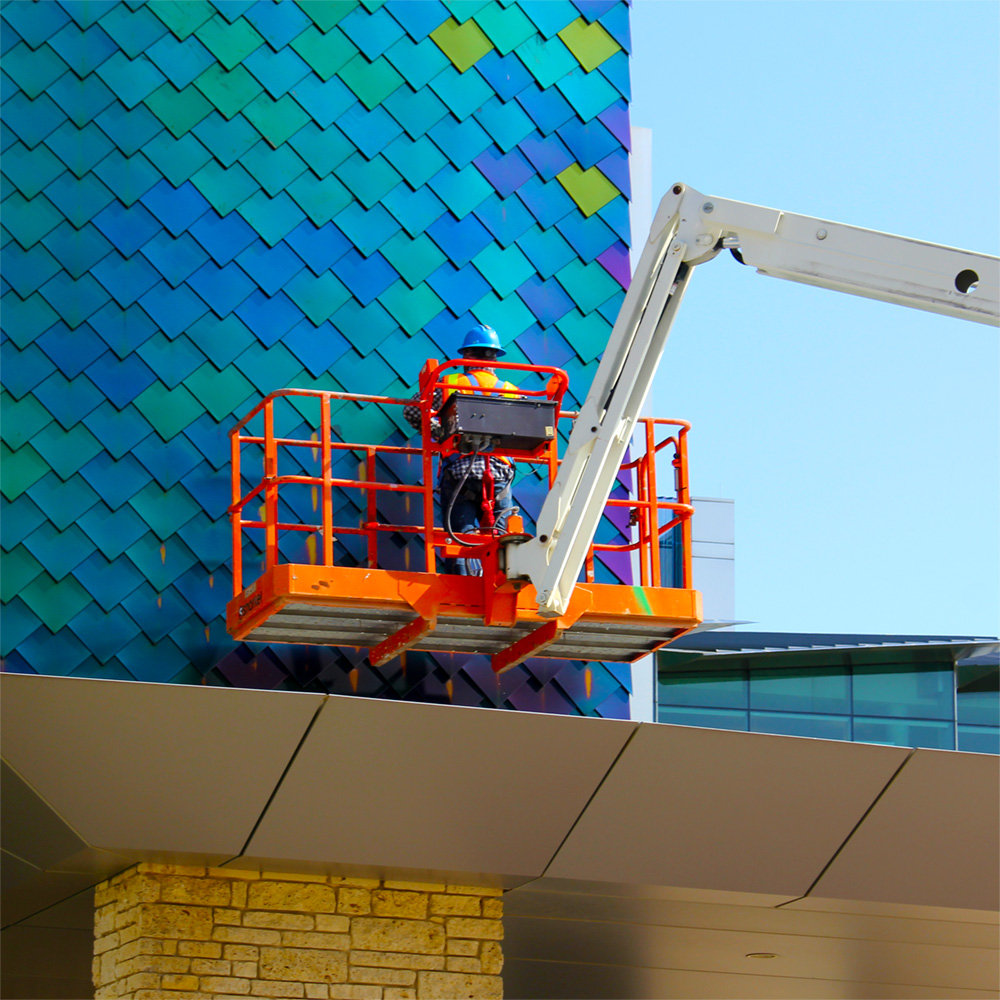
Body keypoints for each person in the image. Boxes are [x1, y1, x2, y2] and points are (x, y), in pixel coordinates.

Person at [404, 325, 518, 575]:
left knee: (460, 534)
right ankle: (501, 578)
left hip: (459, 468)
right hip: (499, 472)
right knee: (500, 533)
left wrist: (441, 433)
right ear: (494, 358)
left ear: (466, 357)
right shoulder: (510, 389)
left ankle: (462, 582)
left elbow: (412, 410)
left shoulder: (449, 382)